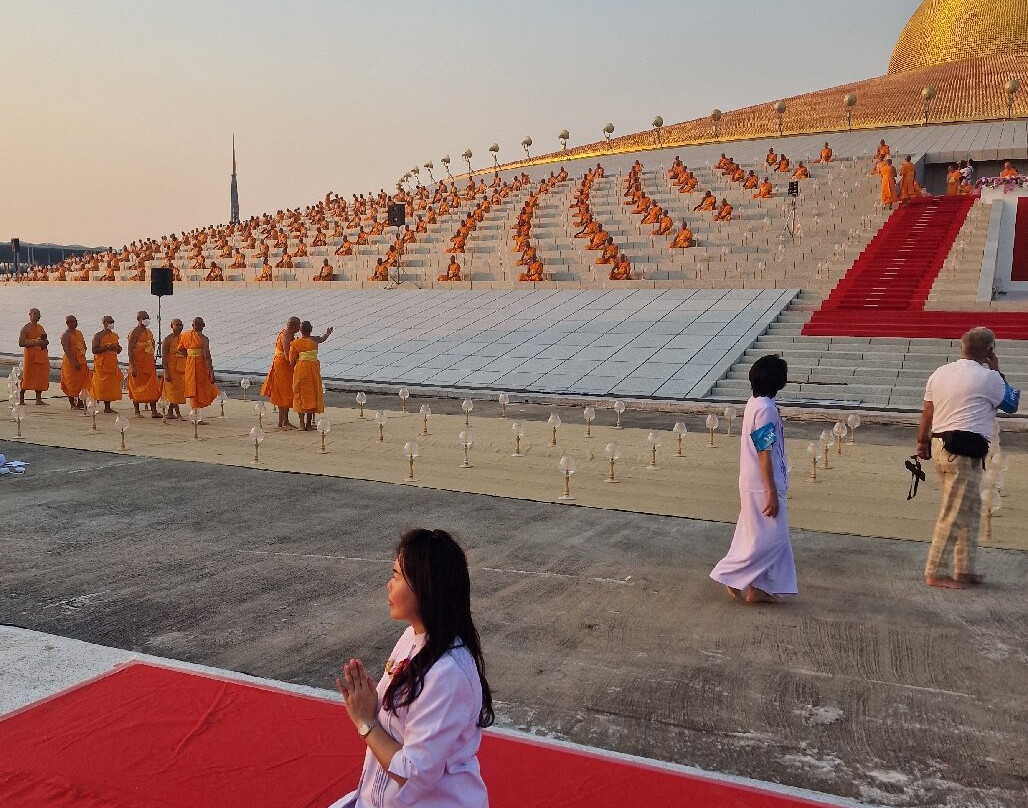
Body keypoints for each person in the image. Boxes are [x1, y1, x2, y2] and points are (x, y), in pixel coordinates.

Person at [333, 528, 493, 808]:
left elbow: (414, 774)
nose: (388, 585)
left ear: (424, 585)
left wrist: (366, 723)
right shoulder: (413, 637)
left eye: (396, 576)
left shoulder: (448, 674)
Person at [916, 328, 1017, 589]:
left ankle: (965, 568)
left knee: (969, 510)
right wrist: (997, 369)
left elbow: (927, 411)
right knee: (954, 511)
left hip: (940, 446)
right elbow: (1011, 403)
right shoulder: (989, 378)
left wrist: (921, 441)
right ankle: (935, 570)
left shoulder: (941, 372)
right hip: (964, 453)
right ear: (989, 350)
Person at [710, 354, 797, 604]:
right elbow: (763, 452)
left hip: (754, 480)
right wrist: (771, 490)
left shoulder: (755, 403)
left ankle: (758, 588)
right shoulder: (766, 410)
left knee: (755, 534)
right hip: (761, 484)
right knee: (774, 538)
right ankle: (731, 574)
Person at [288, 320, 332, 431]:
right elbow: (323, 338)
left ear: (300, 331)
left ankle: (301, 424)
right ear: (311, 330)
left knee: (300, 394)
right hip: (313, 371)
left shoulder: (295, 343)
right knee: (311, 393)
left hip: (300, 370)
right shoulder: (314, 340)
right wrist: (328, 333)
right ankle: (308, 424)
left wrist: (300, 358)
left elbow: (291, 361)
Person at [261, 317, 301, 429]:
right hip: (283, 366)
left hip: (282, 365)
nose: (300, 327)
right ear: (293, 326)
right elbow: (288, 356)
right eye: (299, 325)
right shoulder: (287, 335)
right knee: (285, 392)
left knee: (283, 392)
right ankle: (285, 421)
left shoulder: (286, 332)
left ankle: (282, 420)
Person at [178, 317, 220, 414]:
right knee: (200, 388)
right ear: (203, 326)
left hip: (190, 365)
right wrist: (211, 372)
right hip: (200, 366)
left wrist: (189, 357)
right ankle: (196, 414)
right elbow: (207, 357)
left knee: (193, 388)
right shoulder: (203, 339)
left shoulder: (185, 335)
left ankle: (195, 412)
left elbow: (180, 349)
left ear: (192, 326)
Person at [127, 310, 162, 418]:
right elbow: (130, 349)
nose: (147, 320)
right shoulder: (134, 332)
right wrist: (133, 366)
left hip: (149, 364)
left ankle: (154, 411)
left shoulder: (149, 332)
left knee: (152, 387)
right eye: (145, 318)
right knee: (136, 387)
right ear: (139, 319)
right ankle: (137, 411)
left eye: (148, 318)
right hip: (137, 364)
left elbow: (151, 346)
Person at [90, 315, 123, 412]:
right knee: (101, 385)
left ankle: (107, 407)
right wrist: (106, 348)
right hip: (101, 364)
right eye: (109, 322)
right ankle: (94, 403)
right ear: (104, 323)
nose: (111, 324)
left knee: (110, 386)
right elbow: (94, 350)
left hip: (112, 363)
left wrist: (117, 348)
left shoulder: (114, 335)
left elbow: (119, 349)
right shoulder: (98, 336)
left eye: (112, 322)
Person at [18, 308, 50, 405]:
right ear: (30, 315)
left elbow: (43, 340)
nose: (37, 316)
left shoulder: (40, 327)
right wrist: (36, 342)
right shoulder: (26, 328)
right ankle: (21, 399)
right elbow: (21, 343)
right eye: (35, 314)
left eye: (39, 314)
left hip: (40, 354)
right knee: (27, 375)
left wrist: (45, 342)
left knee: (39, 376)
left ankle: (38, 399)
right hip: (30, 356)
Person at [60, 315, 90, 410]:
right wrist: (74, 362)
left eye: (76, 321)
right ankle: (72, 404)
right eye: (72, 321)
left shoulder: (79, 333)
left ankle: (80, 401)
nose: (75, 323)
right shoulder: (65, 335)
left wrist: (82, 352)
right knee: (71, 383)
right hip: (70, 362)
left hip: (81, 360)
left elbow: (84, 345)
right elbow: (66, 349)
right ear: (68, 323)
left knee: (82, 382)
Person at [161, 318, 186, 421]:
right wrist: (166, 372)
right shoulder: (168, 339)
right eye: (177, 325)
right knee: (173, 391)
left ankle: (170, 412)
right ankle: (178, 413)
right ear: (172, 326)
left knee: (178, 392)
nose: (179, 327)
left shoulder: (183, 338)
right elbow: (164, 356)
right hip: (170, 368)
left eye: (181, 325)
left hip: (180, 368)